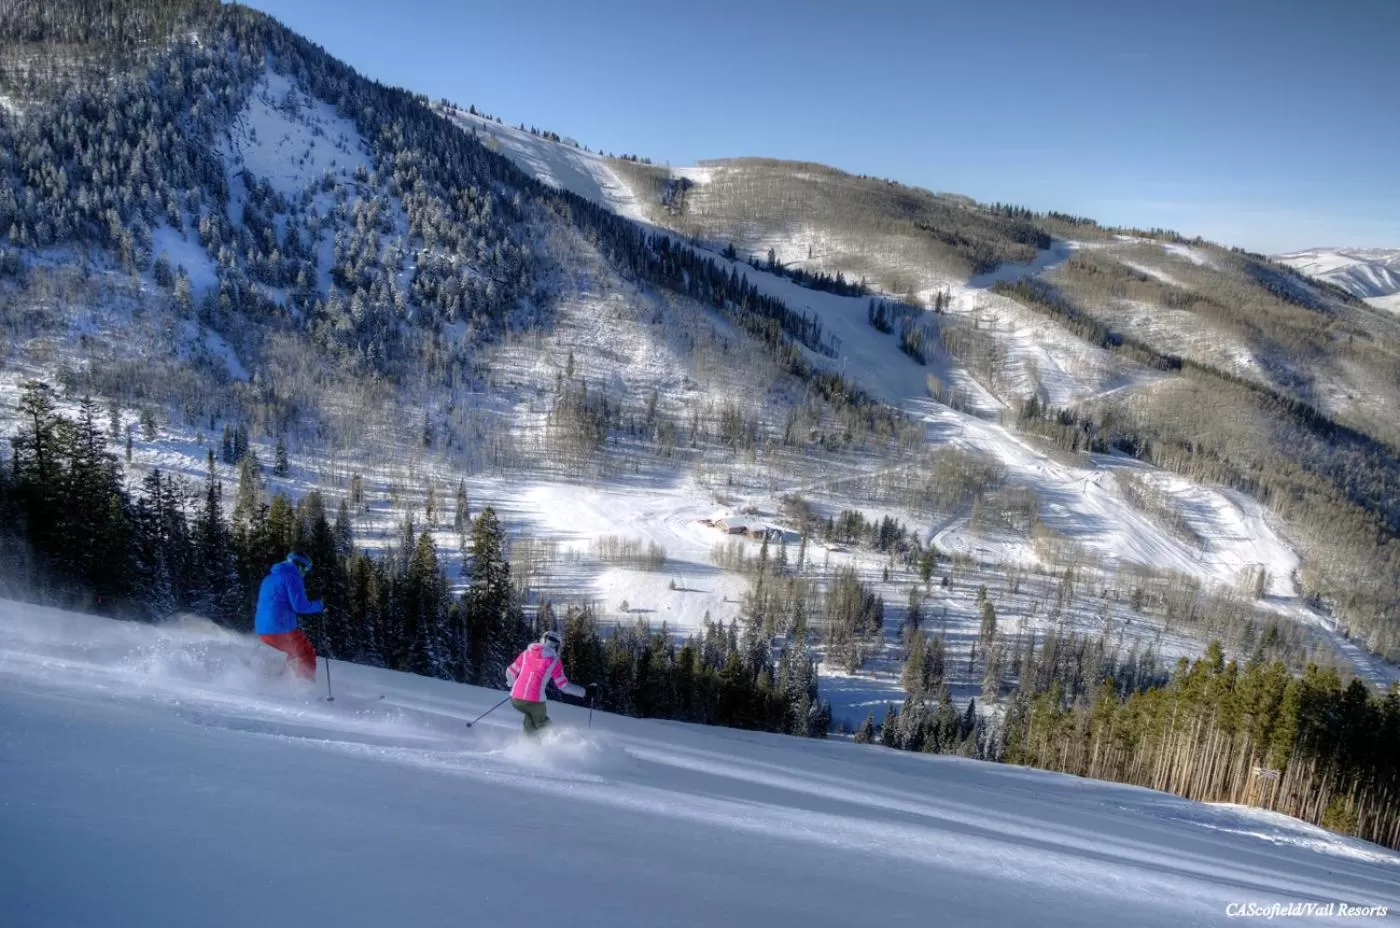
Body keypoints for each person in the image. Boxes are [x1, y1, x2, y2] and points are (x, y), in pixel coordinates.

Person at [255, 552, 324, 681]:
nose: (305, 573)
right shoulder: (292, 577)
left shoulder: (269, 578)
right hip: (281, 628)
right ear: (299, 565)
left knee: (291, 655)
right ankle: (305, 688)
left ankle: (281, 684)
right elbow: (300, 606)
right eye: (306, 568)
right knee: (305, 652)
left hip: (263, 629)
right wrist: (319, 606)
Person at [505, 630, 585, 735]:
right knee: (542, 723)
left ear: (543, 639)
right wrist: (584, 692)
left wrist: (512, 685)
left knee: (530, 717)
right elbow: (563, 686)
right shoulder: (554, 660)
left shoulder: (526, 653)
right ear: (558, 646)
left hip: (515, 699)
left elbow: (510, 671)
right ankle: (555, 742)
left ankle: (527, 744)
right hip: (535, 700)